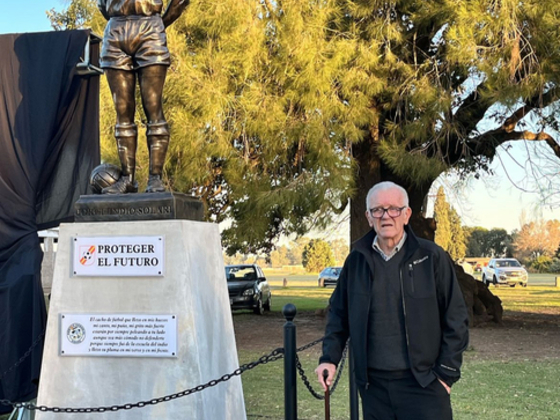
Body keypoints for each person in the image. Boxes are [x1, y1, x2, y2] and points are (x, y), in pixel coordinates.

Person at [315, 181, 469, 420]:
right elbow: (338, 315)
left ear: (406, 215)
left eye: (394, 209)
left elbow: (456, 318)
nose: (386, 216)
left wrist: (444, 376)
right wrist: (329, 359)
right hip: (373, 387)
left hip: (424, 384)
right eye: (378, 210)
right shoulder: (356, 260)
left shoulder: (431, 257)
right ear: (368, 217)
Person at [97, 0, 189, 194]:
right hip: (115, 30)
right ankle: (127, 179)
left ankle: (155, 179)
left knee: (153, 107)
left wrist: (159, 24)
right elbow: (101, 5)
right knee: (122, 111)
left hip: (150, 27)